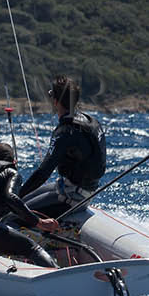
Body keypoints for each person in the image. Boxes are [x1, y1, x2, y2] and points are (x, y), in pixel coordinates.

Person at [18, 76, 107, 219]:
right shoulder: (91, 121)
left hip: (72, 197)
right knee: (22, 199)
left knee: (13, 214)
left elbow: (43, 173)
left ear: (55, 101)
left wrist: (14, 199)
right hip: (74, 188)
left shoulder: (65, 132)